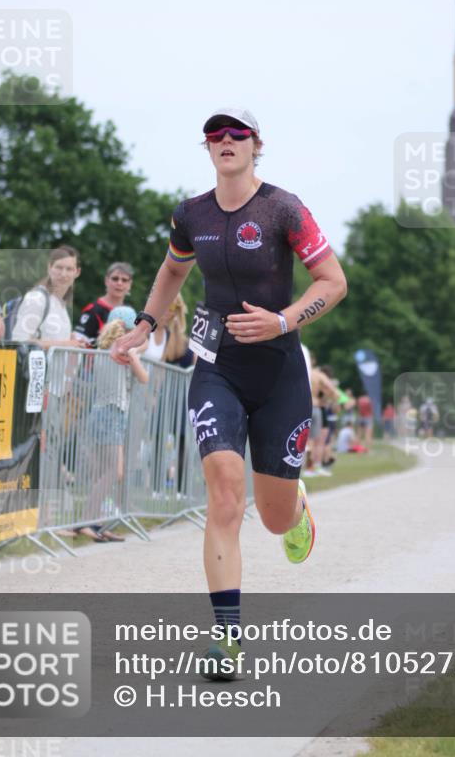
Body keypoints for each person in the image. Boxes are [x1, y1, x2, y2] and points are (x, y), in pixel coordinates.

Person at [112, 107, 347, 677]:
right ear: (208, 148)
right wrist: (145, 324)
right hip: (215, 367)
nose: (225, 141)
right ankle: (227, 639)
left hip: (279, 373)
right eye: (215, 135)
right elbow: (172, 272)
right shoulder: (191, 214)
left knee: (270, 517)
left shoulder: (283, 208)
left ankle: (296, 508)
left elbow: (333, 281)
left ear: (254, 144)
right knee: (222, 494)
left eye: (235, 133)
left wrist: (283, 321)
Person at [77, 306, 149, 542]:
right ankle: (88, 521)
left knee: (102, 473)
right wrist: (136, 353)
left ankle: (96, 522)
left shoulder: (104, 345)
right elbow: (144, 377)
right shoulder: (122, 347)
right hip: (112, 413)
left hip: (99, 412)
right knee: (113, 472)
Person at [12, 245, 84, 348]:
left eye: (69, 269)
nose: (63, 274)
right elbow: (19, 341)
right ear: (49, 268)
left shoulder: (62, 305)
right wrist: (66, 344)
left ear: (77, 272)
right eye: (59, 267)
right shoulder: (37, 298)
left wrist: (72, 343)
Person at [73, 262, 135, 347]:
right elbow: (77, 343)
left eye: (124, 280)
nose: (119, 283)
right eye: (115, 279)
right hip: (93, 359)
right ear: (106, 281)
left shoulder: (130, 313)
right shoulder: (93, 309)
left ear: (130, 284)